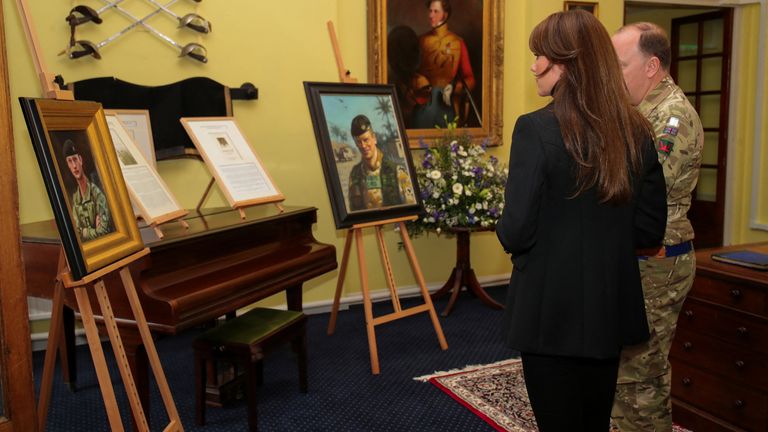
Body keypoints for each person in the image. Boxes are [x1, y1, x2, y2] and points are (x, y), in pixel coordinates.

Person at [495, 10, 667, 431]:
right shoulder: (638, 130)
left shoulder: (535, 130)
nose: (534, 65)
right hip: (608, 306)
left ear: (571, 63)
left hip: (549, 309)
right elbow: (648, 230)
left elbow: (517, 228)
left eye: (542, 57)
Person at [611, 22, 704, 431]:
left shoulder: (671, 118)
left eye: (619, 65)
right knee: (625, 374)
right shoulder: (640, 112)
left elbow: (644, 191)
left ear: (652, 66)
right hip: (639, 259)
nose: (613, 75)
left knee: (640, 379)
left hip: (659, 263)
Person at [412, 0, 476, 128]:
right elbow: (410, 72)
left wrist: (454, 88)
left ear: (445, 15)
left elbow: (469, 79)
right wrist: (418, 81)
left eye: (436, 11)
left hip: (448, 104)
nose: (431, 15)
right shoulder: (421, 41)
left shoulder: (457, 42)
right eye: (430, 11)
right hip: (424, 103)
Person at [347, 115, 412, 211]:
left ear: (374, 138)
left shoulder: (397, 171)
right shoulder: (355, 174)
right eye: (359, 142)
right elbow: (353, 210)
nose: (363, 146)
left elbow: (410, 208)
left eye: (366, 140)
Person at [63, 139, 113, 242]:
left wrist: (84, 231)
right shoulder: (76, 199)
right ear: (68, 165)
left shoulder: (97, 194)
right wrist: (93, 230)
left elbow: (103, 231)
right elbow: (77, 233)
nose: (74, 166)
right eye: (70, 161)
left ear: (80, 160)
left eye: (75, 159)